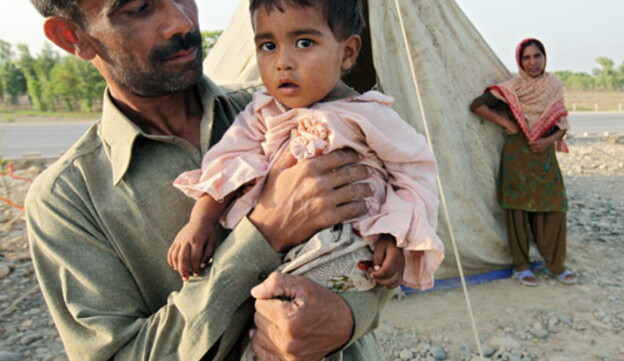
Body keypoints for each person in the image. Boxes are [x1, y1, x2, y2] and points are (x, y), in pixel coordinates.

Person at [25, 0, 397, 360]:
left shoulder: (290, 106)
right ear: (72, 36)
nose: (182, 21)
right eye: (139, 8)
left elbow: (375, 227)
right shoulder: (66, 201)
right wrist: (266, 233)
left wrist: (347, 317)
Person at [168, 0, 444, 298]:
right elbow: (228, 162)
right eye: (268, 46)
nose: (282, 62)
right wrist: (203, 220)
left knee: (314, 317)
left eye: (303, 42)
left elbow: (413, 174)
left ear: (348, 53)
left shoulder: (371, 116)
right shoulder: (261, 116)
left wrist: (394, 234)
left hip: (350, 262)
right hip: (273, 260)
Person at [470, 38, 577, 287]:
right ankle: (521, 266)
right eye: (526, 58)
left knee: (553, 208)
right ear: (520, 61)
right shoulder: (512, 89)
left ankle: (555, 264)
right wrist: (507, 123)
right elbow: (478, 105)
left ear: (544, 57)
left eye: (537, 56)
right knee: (517, 210)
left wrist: (546, 141)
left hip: (544, 155)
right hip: (518, 155)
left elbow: (561, 125)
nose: (532, 63)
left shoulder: (553, 85)